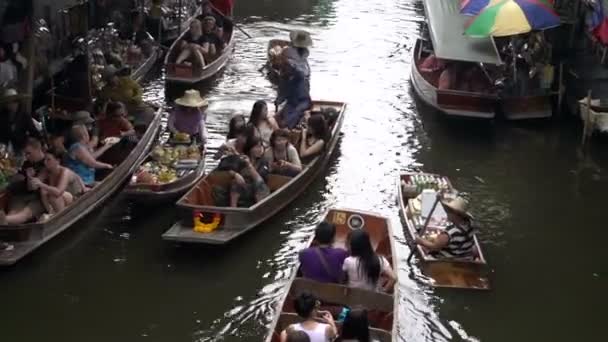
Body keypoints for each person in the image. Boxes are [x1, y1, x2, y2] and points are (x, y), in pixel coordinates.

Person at [0, 138, 46, 225]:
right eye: (25, 154)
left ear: (38, 148)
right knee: (12, 214)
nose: (27, 156)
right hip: (22, 195)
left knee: (24, 215)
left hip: (38, 197)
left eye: (29, 153)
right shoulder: (27, 164)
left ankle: (3, 220)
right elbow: (19, 179)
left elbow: (33, 187)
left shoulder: (47, 162)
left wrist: (30, 177)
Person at [275, 30, 312, 129]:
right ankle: (288, 126)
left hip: (298, 93)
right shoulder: (291, 56)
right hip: (296, 93)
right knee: (297, 107)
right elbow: (287, 78)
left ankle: (288, 126)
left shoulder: (295, 55)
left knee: (297, 108)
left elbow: (286, 78)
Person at [34, 150, 86, 218]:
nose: (45, 162)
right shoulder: (46, 171)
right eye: (44, 160)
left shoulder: (65, 172)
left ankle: (61, 217)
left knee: (53, 196)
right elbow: (34, 185)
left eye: (48, 160)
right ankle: (51, 213)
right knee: (43, 191)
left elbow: (58, 192)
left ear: (57, 161)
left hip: (76, 197)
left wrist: (41, 184)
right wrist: (30, 177)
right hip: (62, 199)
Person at [228, 136, 270, 207]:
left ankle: (259, 208)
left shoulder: (264, 161)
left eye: (261, 147)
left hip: (260, 191)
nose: (259, 150)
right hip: (246, 189)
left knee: (259, 184)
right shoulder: (242, 159)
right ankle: (233, 208)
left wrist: (249, 165)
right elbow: (229, 169)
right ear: (250, 148)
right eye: (256, 147)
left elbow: (259, 179)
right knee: (235, 183)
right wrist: (235, 174)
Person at [0, 89, 41, 154]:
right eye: (9, 102)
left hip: (20, 148)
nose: (12, 104)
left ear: (18, 102)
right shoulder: (2, 116)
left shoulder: (24, 116)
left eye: (14, 101)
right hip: (3, 148)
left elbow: (34, 132)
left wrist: (31, 141)